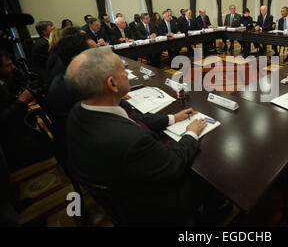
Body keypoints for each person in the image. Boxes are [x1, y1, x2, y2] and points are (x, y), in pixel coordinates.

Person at [64, 47, 231, 225]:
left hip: (122, 190)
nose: (127, 74)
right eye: (123, 70)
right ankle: (213, 216)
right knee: (210, 170)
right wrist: (191, 132)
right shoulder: (132, 141)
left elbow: (134, 118)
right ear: (112, 84)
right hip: (153, 207)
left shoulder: (78, 111)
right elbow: (173, 164)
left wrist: (173, 118)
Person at [0, 50, 54, 171]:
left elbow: (23, 84)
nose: (13, 67)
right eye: (8, 65)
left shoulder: (11, 77)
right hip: (13, 136)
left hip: (25, 124)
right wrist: (20, 101)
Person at [47, 33, 91, 167]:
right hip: (85, 148)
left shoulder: (63, 73)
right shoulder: (76, 82)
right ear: (79, 57)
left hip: (74, 138)